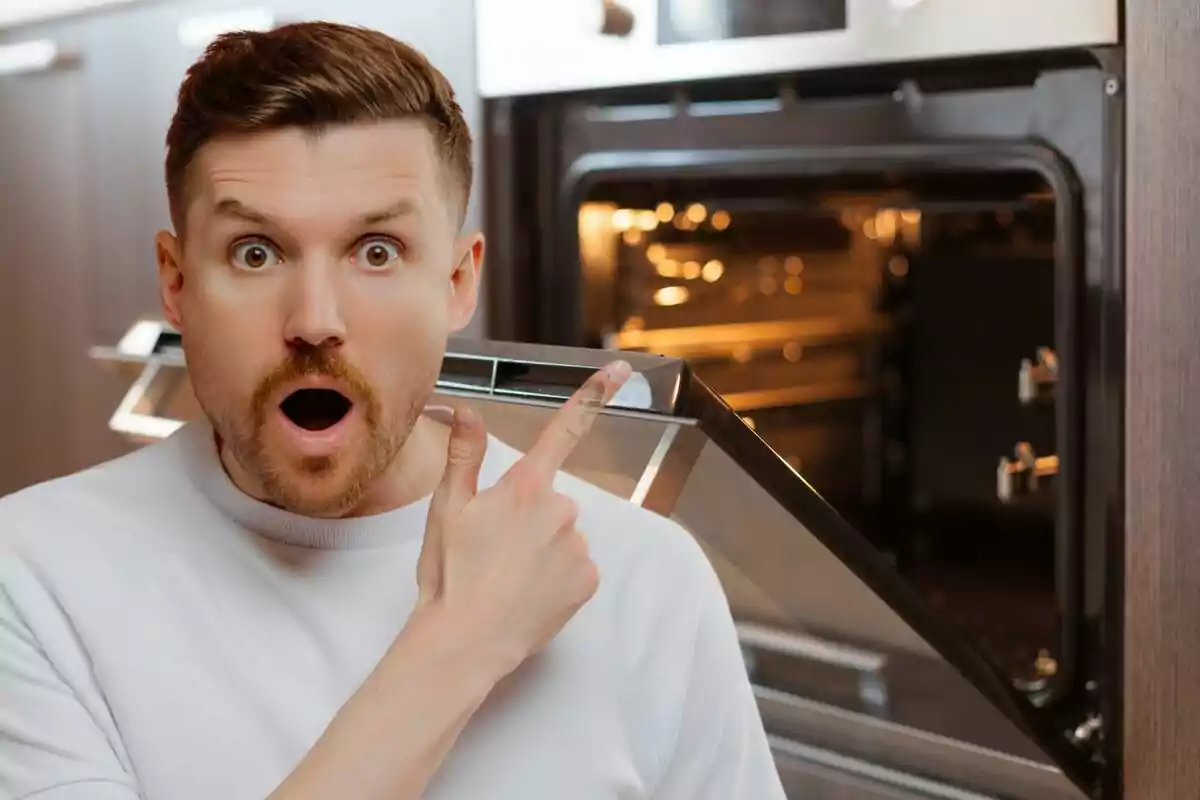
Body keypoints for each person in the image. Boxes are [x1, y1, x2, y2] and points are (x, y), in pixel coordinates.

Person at [0, 21, 785, 800]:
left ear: (456, 281)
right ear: (176, 283)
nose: (314, 319)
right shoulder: (33, 580)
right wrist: (457, 646)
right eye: (255, 252)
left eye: (376, 250)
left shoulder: (643, 578)